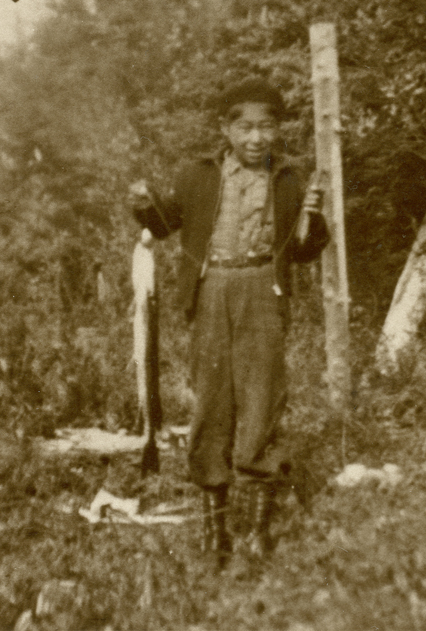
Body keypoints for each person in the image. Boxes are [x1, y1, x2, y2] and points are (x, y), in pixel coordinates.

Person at [127, 78, 328, 570]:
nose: (256, 138)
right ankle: (215, 533)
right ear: (227, 129)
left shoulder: (288, 178)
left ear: (277, 130)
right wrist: (142, 202)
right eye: (245, 128)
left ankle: (257, 532)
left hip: (263, 288)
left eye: (266, 127)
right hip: (211, 288)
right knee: (212, 401)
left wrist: (315, 221)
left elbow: (303, 251)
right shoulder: (197, 174)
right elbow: (164, 224)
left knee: (262, 397)